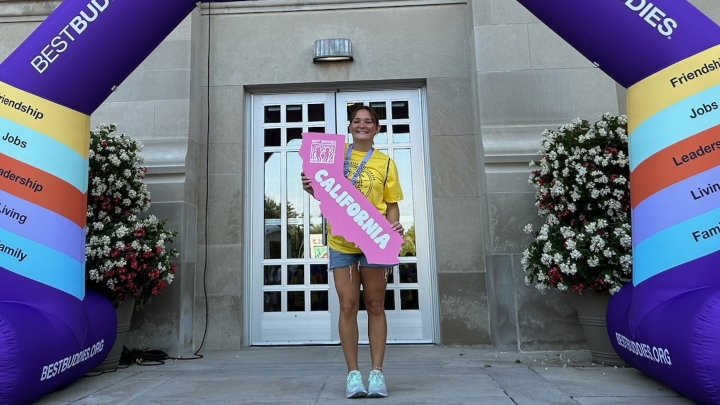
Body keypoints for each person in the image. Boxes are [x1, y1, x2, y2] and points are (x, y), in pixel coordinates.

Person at [301, 105, 404, 398]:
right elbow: (322, 191)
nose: (362, 125)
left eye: (368, 121)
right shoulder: (334, 154)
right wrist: (310, 187)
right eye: (357, 121)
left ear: (377, 128)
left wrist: (393, 227)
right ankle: (353, 376)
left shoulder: (385, 163)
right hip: (341, 245)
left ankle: (377, 374)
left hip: (374, 243)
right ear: (349, 126)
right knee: (348, 306)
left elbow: (392, 204)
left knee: (374, 306)